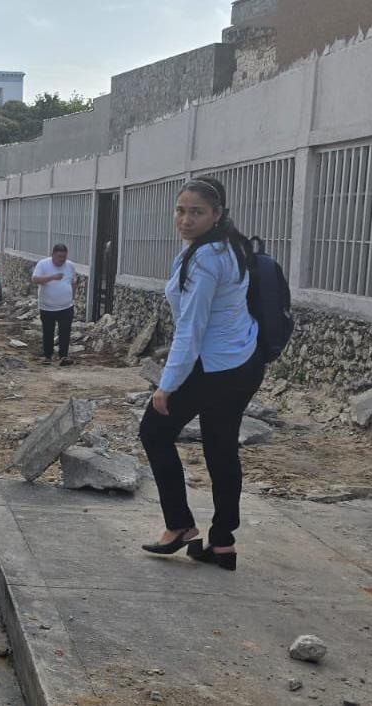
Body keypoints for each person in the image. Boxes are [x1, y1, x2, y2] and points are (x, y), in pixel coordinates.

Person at [139, 177, 263, 572]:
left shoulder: (206, 259)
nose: (186, 219)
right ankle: (223, 544)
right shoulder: (228, 246)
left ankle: (179, 525)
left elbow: (191, 330)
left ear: (217, 215)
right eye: (181, 210)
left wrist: (167, 385)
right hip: (244, 362)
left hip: (215, 367)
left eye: (197, 212)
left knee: (153, 430)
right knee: (221, 448)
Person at [30, 243, 78, 366]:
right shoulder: (43, 264)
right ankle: (48, 356)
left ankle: (63, 356)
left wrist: (72, 297)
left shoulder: (70, 266)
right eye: (59, 256)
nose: (62, 259)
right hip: (47, 307)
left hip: (66, 306)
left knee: (65, 331)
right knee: (48, 331)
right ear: (53, 255)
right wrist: (52, 277)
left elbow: (73, 282)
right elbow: (35, 279)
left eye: (64, 257)